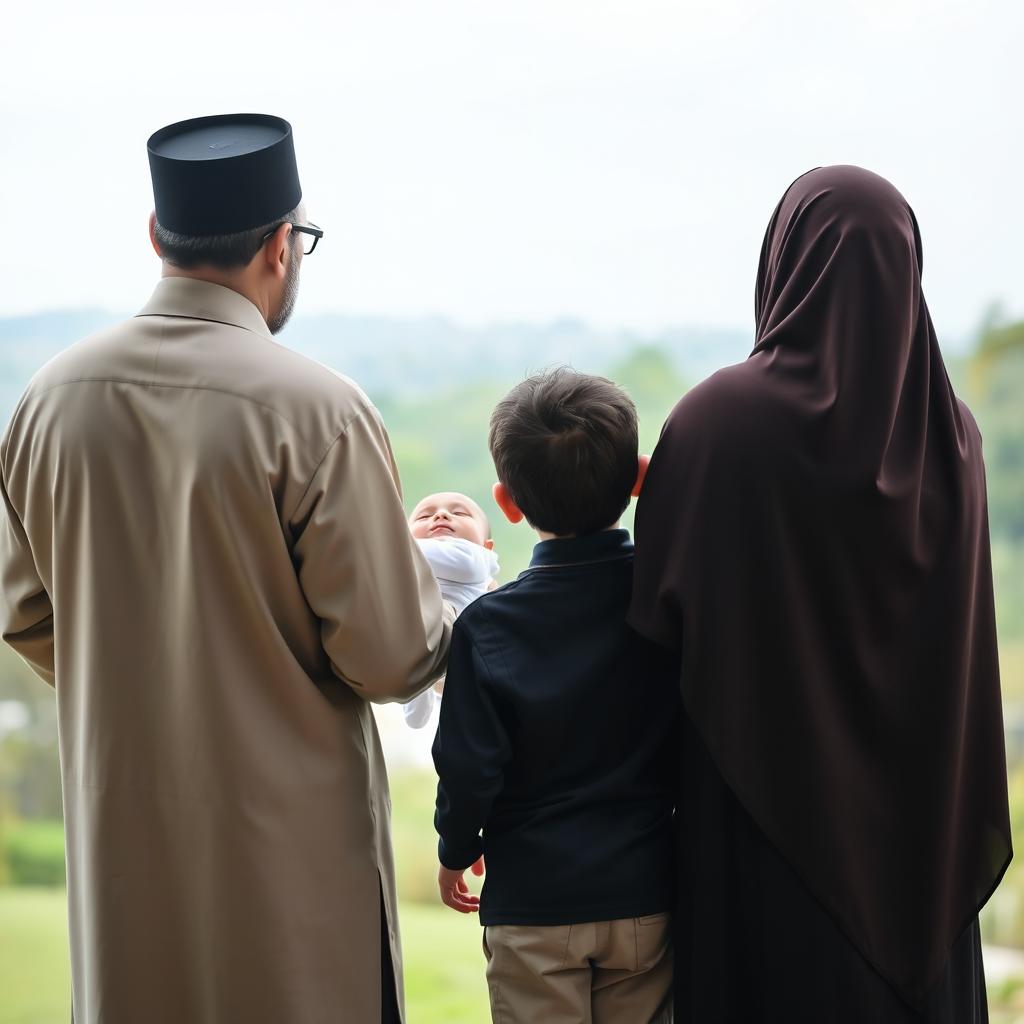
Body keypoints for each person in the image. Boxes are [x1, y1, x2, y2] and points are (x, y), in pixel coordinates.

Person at [0, 113, 453, 1024]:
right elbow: (392, 657)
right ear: (281, 247)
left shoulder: (48, 401)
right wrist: (451, 577)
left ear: (157, 236)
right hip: (294, 867)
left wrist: (141, 682)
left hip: (122, 848)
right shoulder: (318, 411)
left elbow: (24, 613)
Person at [630, 165, 1011, 1022]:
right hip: (919, 852)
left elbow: (653, 623)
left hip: (760, 844)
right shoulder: (955, 440)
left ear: (784, 264)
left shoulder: (717, 424)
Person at [432, 368, 678, 1024]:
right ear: (639, 478)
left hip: (533, 905)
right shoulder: (668, 605)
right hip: (647, 894)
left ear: (506, 502)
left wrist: (456, 850)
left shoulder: (487, 628)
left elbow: (468, 765)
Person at [404, 491, 499, 728]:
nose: (441, 515)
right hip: (424, 645)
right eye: (424, 516)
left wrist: (398, 543)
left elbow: (404, 554)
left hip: (467, 652)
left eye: (459, 513)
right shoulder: (408, 561)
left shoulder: (475, 558)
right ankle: (417, 694)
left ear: (486, 545)